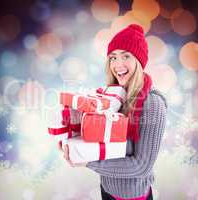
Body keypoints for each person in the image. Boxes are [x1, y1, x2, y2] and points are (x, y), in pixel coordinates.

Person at [61, 24, 167, 200]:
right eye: (113, 57)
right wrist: (71, 134)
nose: (117, 65)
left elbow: (141, 166)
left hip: (133, 197)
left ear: (139, 61)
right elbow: (101, 139)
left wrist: (87, 161)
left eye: (126, 56)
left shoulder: (152, 104)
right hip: (107, 189)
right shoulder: (113, 98)